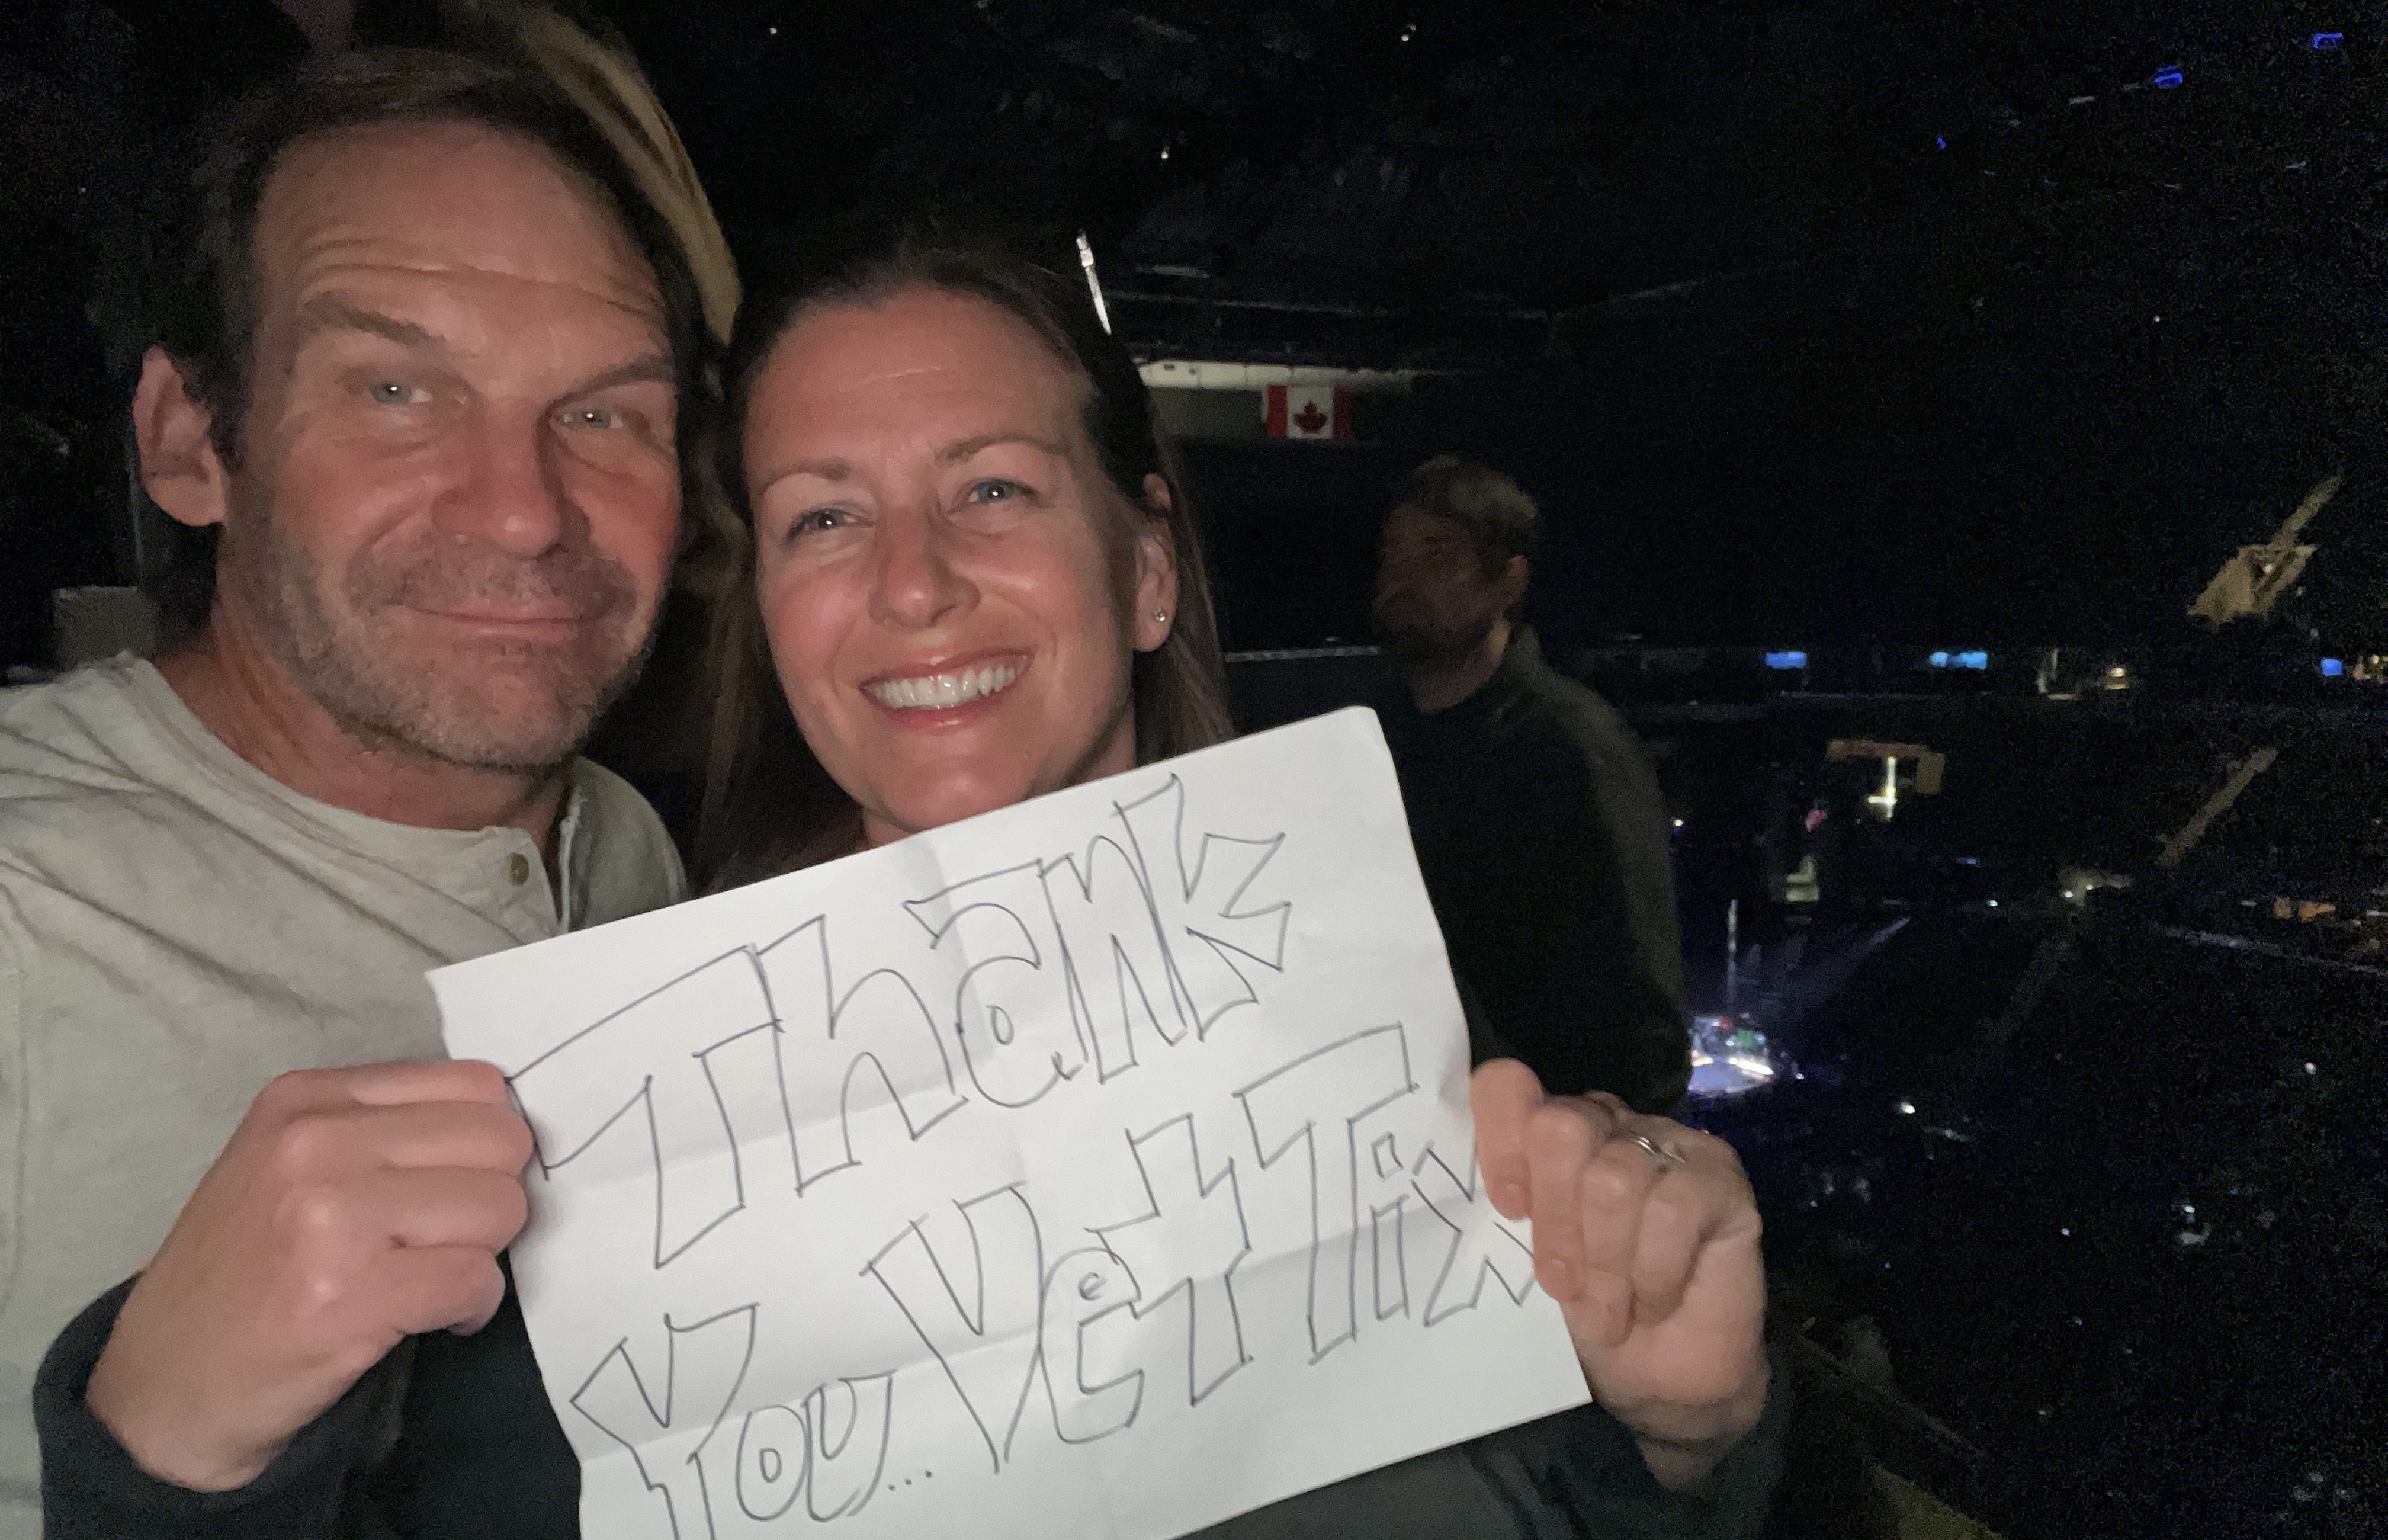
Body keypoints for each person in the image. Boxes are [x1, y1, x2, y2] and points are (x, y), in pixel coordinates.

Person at [701, 223, 1783, 1534]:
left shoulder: (1389, 1020)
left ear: (1148, 571)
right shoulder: (660, 1130)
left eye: (991, 489)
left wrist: (1681, 1438)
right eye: (822, 516)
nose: (912, 584)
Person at [11, 42, 719, 1535]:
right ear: (191, 441)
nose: (526, 511)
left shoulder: (629, 851)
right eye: (397, 388)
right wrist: (153, 1446)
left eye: (604, 413)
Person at [1370, 457, 1691, 1111]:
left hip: (1540, 1138)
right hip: (1410, 1126)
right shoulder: (1376, 742)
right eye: (1392, 556)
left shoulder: (1571, 746)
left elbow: (1637, 994)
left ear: (1508, 582)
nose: (1404, 578)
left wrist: (1619, 1140)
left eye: (1439, 558)